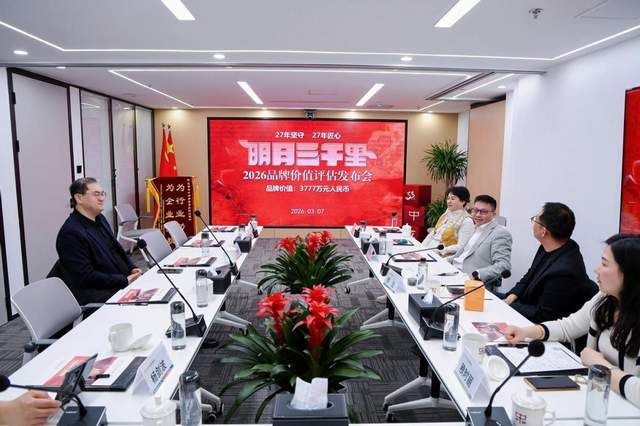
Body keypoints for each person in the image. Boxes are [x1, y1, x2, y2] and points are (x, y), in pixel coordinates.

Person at [504, 234, 640, 408]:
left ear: (629, 274)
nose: (596, 270)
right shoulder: (604, 299)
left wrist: (600, 366)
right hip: (598, 397)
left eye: (605, 264)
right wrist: (528, 332)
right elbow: (568, 327)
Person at [53, 178, 142, 304]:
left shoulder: (99, 218)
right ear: (79, 198)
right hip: (97, 294)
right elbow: (85, 277)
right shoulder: (71, 233)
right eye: (96, 194)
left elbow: (116, 249)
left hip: (118, 282)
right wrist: (124, 280)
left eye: (102, 194)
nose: (102, 198)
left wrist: (131, 268)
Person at [503, 202, 593, 323]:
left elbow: (544, 315)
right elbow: (530, 275)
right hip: (523, 303)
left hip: (538, 320)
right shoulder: (550, 245)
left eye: (535, 219)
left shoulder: (564, 272)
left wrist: (508, 306)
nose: (533, 222)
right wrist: (512, 295)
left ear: (544, 231)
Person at [448, 195, 512, 283]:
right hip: (452, 271)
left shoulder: (500, 233)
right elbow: (464, 254)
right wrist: (445, 261)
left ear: (493, 215)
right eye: (475, 210)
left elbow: (504, 265)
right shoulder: (475, 227)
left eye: (483, 212)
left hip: (469, 280)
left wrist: (477, 274)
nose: (478, 215)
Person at [422, 186, 474, 256]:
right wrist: (422, 247)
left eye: (453, 199)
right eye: (448, 198)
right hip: (428, 250)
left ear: (463, 201)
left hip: (443, 255)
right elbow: (433, 233)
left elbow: (462, 246)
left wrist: (440, 250)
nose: (449, 201)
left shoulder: (467, 221)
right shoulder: (445, 214)